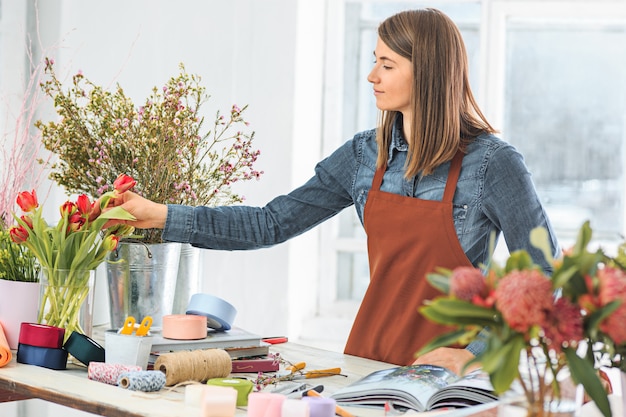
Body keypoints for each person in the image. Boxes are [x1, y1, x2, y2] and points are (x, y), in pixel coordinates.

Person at [95, 8, 559, 374]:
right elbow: (272, 222)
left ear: (429, 74)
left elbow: (547, 277)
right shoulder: (365, 155)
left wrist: (475, 354)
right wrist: (161, 216)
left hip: (446, 380)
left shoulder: (494, 164)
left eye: (386, 64)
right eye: (374, 61)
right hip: (367, 365)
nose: (372, 76)